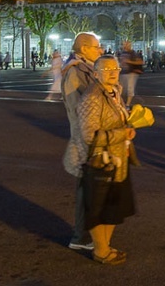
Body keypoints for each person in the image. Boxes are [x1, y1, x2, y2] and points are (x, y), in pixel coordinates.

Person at [77, 55, 136, 265]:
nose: (112, 72)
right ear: (95, 74)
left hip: (118, 158)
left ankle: (105, 245)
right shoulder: (93, 96)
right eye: (106, 69)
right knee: (99, 208)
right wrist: (122, 134)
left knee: (113, 207)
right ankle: (101, 251)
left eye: (116, 68)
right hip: (101, 161)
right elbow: (89, 135)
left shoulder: (114, 91)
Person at [62, 32, 103, 251]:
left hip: (90, 134)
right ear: (84, 48)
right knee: (85, 186)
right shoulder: (75, 71)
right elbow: (78, 107)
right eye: (97, 47)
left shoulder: (84, 68)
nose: (100, 50)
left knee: (90, 186)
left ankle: (86, 232)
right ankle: (81, 236)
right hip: (85, 136)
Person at [118, 41, 143, 106]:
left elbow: (140, 62)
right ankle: (135, 100)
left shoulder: (133, 53)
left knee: (129, 89)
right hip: (122, 72)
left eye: (127, 44)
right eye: (124, 44)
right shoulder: (121, 53)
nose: (125, 45)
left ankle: (127, 104)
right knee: (122, 89)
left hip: (131, 73)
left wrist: (129, 61)